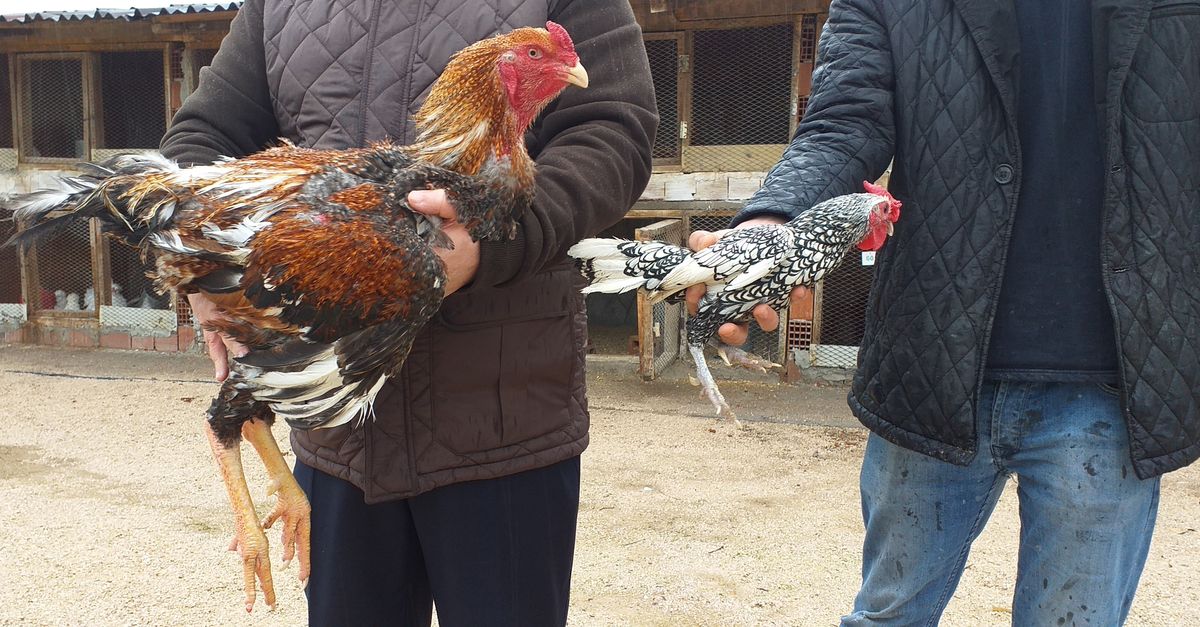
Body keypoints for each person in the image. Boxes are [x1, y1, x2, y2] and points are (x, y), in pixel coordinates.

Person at [688, 0, 1199, 624]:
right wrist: (774, 222)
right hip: (932, 363)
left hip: (1117, 380)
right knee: (890, 616)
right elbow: (843, 124)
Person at [160, 1, 656, 625]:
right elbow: (202, 137)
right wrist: (201, 259)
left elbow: (614, 132)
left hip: (501, 411)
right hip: (338, 427)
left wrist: (494, 236)